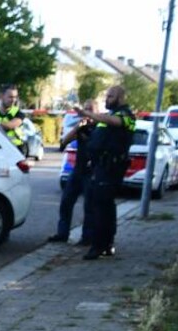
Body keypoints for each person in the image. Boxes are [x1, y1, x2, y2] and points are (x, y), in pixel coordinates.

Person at [75, 85, 135, 260]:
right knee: (101, 206)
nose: (107, 99)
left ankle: (99, 246)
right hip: (100, 166)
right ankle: (105, 244)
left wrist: (87, 113)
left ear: (121, 98)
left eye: (111, 96)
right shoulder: (108, 117)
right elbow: (101, 136)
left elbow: (114, 122)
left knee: (102, 209)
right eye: (107, 96)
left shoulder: (126, 116)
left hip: (111, 168)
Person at [48, 100, 96, 244]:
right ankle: (62, 234)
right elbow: (67, 139)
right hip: (78, 170)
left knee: (89, 206)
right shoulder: (82, 125)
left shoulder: (100, 127)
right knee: (66, 201)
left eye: (90, 109)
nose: (87, 112)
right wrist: (77, 127)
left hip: (91, 171)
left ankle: (87, 237)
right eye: (85, 109)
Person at [0, 84, 27, 157]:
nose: (13, 100)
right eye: (10, 97)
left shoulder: (18, 113)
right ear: (1, 96)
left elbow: (11, 125)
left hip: (15, 151)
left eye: (15, 97)